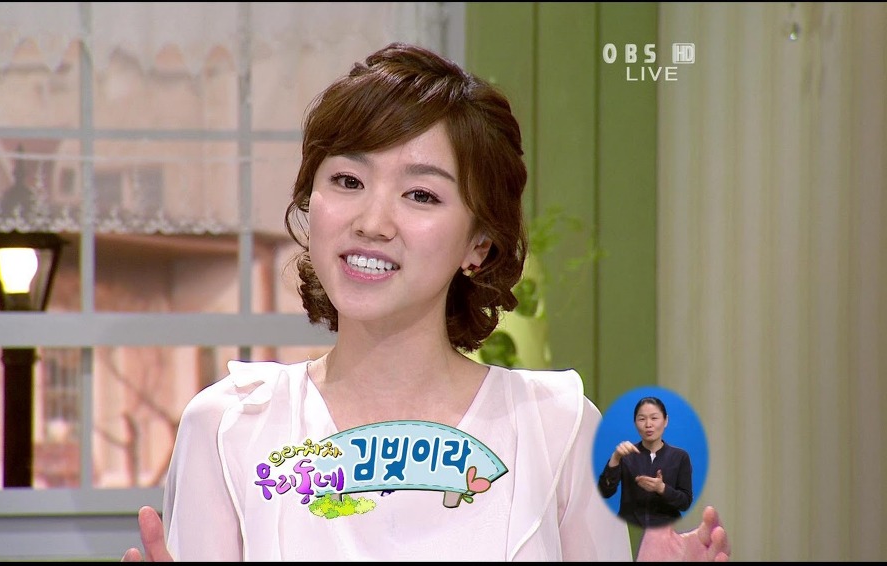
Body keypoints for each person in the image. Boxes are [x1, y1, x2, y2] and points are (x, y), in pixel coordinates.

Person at [121, 42, 730, 562]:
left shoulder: (558, 426)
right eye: (348, 181)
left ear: (479, 244)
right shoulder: (229, 426)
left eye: (420, 195)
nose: (372, 222)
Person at [598, 396, 694, 528]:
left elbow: (685, 503)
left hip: (664, 531)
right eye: (642, 419)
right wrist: (615, 458)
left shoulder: (680, 456)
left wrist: (662, 488)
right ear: (635, 423)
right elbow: (604, 492)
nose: (648, 424)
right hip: (630, 528)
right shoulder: (626, 454)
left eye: (654, 418)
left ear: (665, 420)